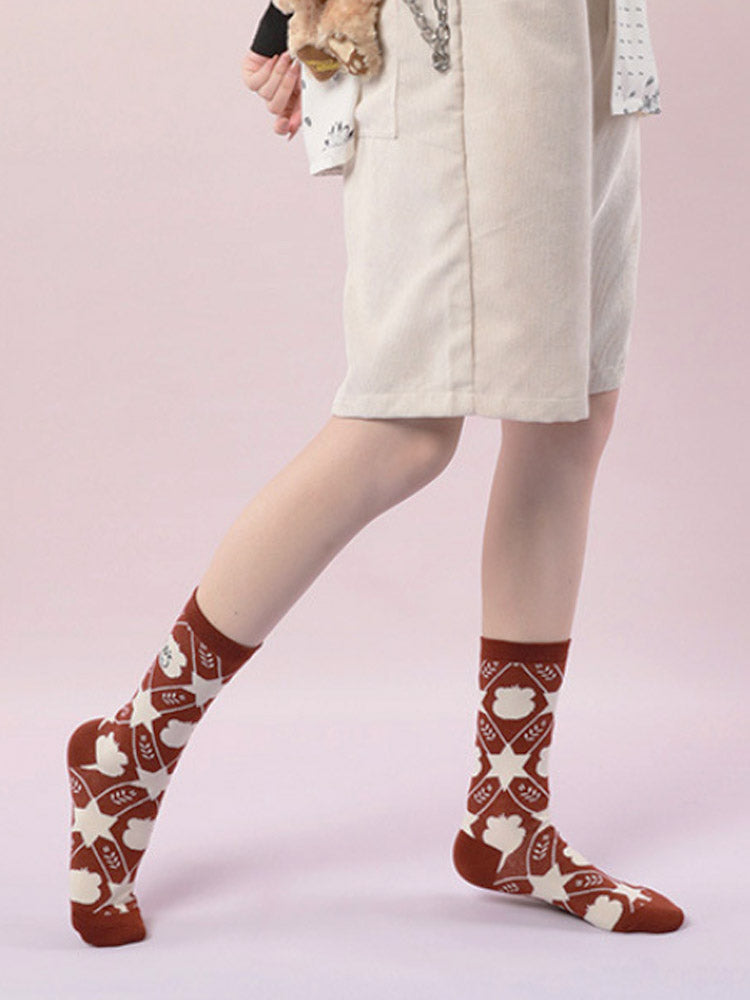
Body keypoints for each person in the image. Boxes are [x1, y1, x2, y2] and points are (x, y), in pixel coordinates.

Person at [66, 0, 685, 947]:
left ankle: (508, 812)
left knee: (571, 416)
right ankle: (131, 750)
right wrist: (283, 21)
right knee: (403, 427)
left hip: (588, 34)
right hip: (463, 46)